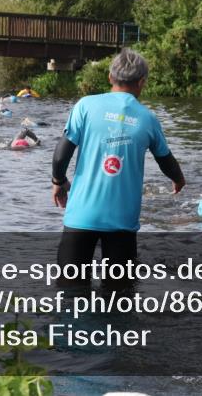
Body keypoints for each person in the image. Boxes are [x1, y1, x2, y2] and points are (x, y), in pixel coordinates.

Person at [51, 48, 186, 290]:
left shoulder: (85, 106)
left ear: (110, 78)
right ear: (142, 82)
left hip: (81, 217)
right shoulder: (147, 118)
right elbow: (166, 160)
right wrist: (178, 179)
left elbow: (62, 154)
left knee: (70, 296)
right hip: (122, 222)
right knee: (119, 299)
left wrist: (58, 181)